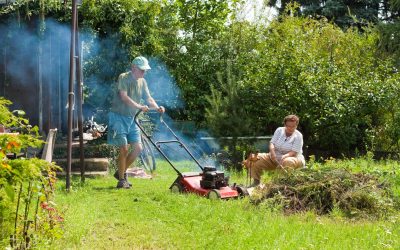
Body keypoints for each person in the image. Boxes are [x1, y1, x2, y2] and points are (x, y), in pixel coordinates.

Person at [108, 56, 165, 189]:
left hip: (132, 118)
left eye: (145, 70)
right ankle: (122, 180)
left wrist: (157, 107)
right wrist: (139, 106)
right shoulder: (123, 77)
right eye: (142, 70)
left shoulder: (143, 82)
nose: (144, 73)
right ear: (133, 68)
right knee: (124, 148)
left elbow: (149, 98)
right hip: (118, 117)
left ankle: (120, 172)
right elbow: (124, 96)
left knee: (138, 148)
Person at [243, 114, 305, 187]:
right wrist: (272, 153)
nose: (290, 128)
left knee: (288, 161)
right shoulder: (279, 130)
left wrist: (285, 156)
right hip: (275, 157)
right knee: (255, 158)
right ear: (285, 124)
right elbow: (272, 143)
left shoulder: (298, 136)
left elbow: (294, 152)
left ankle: (282, 185)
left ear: (296, 126)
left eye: (293, 126)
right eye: (288, 126)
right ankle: (256, 182)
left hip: (294, 159)